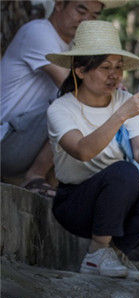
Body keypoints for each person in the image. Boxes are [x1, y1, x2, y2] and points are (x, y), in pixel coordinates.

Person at [45, 20, 139, 278]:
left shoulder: (124, 101)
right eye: (105, 68)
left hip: (120, 199)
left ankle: (112, 253)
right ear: (80, 71)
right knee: (124, 172)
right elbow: (82, 151)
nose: (114, 75)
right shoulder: (60, 109)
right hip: (76, 203)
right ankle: (96, 255)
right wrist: (119, 115)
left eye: (118, 67)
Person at [0, 1, 118, 197]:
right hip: (6, 144)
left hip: (23, 145)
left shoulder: (74, 50)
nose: (86, 21)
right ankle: (35, 176)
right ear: (59, 4)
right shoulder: (38, 32)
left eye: (94, 16)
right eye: (81, 10)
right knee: (77, 102)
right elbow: (74, 88)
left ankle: (52, 183)